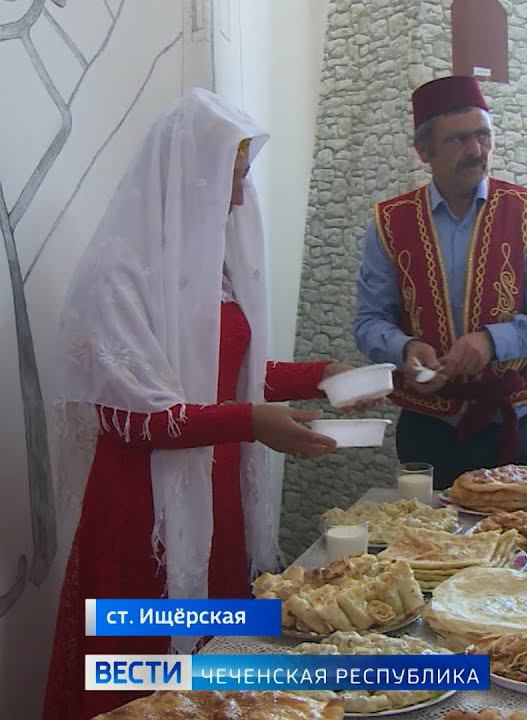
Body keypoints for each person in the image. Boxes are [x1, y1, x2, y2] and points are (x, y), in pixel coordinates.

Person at [42, 88, 361, 720]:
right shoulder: (119, 273)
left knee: (213, 681)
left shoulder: (211, 268)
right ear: (189, 176)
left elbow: (225, 375)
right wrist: (252, 422)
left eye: (244, 177)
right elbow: (131, 416)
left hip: (215, 495)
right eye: (231, 177)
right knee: (142, 684)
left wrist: (321, 375)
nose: (240, 196)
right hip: (147, 514)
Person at [354, 76, 527, 489]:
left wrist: (493, 341)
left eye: (483, 135)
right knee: (425, 531)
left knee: (516, 530)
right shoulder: (389, 223)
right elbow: (369, 321)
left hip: (512, 422)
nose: (477, 150)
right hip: (428, 429)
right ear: (423, 150)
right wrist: (405, 348)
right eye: (459, 140)